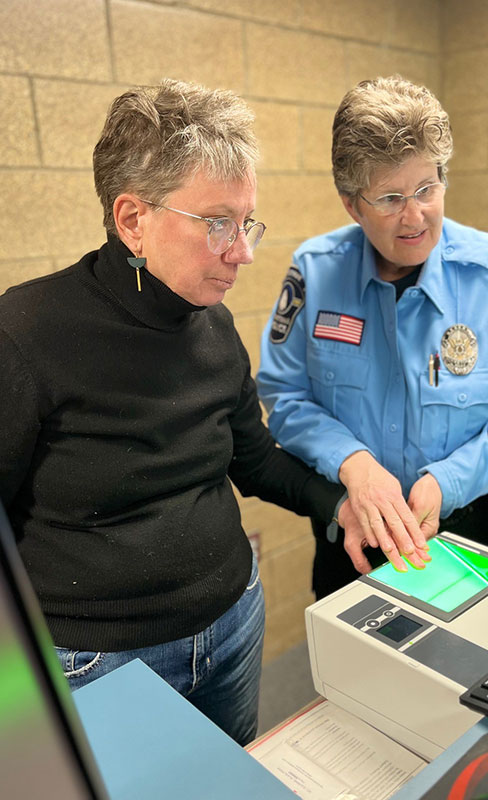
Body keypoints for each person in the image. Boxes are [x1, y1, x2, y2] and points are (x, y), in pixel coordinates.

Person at [0, 79, 361, 746]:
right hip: (97, 664)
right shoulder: (25, 333)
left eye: (246, 221)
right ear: (133, 219)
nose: (243, 251)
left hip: (230, 625)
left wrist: (340, 506)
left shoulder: (212, 324)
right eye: (217, 222)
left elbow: (251, 459)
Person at [257, 75, 488, 600]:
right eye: (389, 198)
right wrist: (351, 463)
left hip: (472, 538)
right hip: (353, 538)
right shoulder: (315, 274)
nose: (415, 216)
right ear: (351, 204)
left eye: (427, 189)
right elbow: (285, 396)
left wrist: (447, 481)